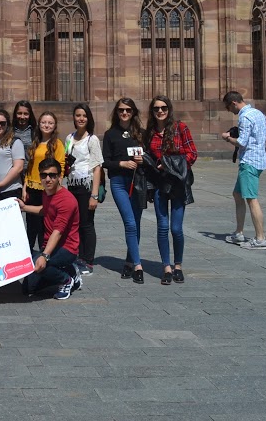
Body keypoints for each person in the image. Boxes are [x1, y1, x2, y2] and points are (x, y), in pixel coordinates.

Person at [144, 96, 197, 285]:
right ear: (152, 111)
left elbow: (192, 153)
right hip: (159, 183)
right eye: (156, 108)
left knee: (176, 229)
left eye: (164, 107)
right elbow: (148, 156)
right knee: (162, 227)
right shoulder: (150, 132)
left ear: (169, 109)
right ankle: (166, 267)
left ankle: (178, 266)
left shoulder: (180, 128)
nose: (160, 111)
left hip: (177, 184)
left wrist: (170, 165)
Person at [18, 158, 83, 300]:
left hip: (67, 248)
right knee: (28, 288)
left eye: (52, 175)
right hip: (50, 246)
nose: (48, 179)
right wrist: (24, 208)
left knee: (39, 266)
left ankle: (66, 280)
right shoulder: (47, 193)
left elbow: (58, 232)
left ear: (59, 177)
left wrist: (44, 256)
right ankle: (69, 270)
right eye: (44, 175)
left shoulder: (67, 200)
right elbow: (45, 210)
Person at [102, 98, 148, 284]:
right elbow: (105, 161)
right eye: (121, 110)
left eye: (128, 110)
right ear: (117, 113)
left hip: (137, 182)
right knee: (129, 223)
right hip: (119, 183)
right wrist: (121, 163)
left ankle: (129, 262)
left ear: (133, 112)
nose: (125, 113)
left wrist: (142, 160)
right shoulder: (110, 134)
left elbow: (149, 157)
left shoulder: (141, 134)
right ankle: (138, 265)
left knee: (135, 223)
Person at [221, 91, 266, 250]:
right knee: (237, 194)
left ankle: (260, 238)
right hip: (259, 159)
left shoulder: (244, 116)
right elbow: (265, 134)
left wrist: (227, 138)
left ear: (234, 103)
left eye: (229, 107)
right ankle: (238, 232)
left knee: (251, 198)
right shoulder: (258, 113)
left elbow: (242, 142)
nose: (230, 111)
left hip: (249, 161)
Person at [65, 104, 103, 276]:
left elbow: (97, 168)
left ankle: (88, 260)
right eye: (78, 115)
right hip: (72, 185)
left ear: (89, 118)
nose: (81, 118)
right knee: (75, 223)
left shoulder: (92, 139)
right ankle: (78, 257)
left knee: (87, 223)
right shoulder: (69, 138)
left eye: (84, 115)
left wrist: (94, 195)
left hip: (86, 185)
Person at [24, 111, 66, 251]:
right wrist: (25, 187)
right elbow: (30, 167)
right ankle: (28, 255)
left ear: (54, 126)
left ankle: (45, 254)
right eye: (43, 122)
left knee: (45, 225)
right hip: (32, 187)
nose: (46, 125)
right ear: (39, 124)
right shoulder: (35, 142)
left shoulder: (57, 144)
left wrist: (56, 187)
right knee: (31, 226)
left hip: (47, 189)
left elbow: (61, 165)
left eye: (50, 123)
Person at [11, 100, 35, 166]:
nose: (22, 117)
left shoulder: (35, 132)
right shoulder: (9, 132)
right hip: (14, 172)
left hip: (30, 172)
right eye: (19, 113)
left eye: (26, 114)